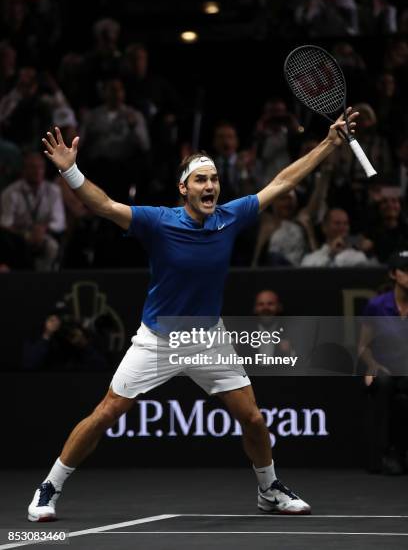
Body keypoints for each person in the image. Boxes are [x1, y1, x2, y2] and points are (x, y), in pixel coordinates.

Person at [27, 107, 358, 522]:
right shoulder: (157, 222)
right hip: (158, 339)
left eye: (214, 179)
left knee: (253, 419)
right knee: (107, 412)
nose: (210, 186)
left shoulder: (230, 217)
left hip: (208, 340)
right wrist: (71, 172)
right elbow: (106, 205)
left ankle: (269, 488)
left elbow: (283, 181)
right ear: (183, 188)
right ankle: (49, 487)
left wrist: (329, 142)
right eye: (201, 179)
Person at [357, 251, 408, 473]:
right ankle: (385, 454)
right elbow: (363, 346)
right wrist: (372, 365)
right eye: (406, 271)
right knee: (384, 383)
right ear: (393, 274)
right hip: (384, 369)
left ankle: (401, 451)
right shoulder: (377, 306)